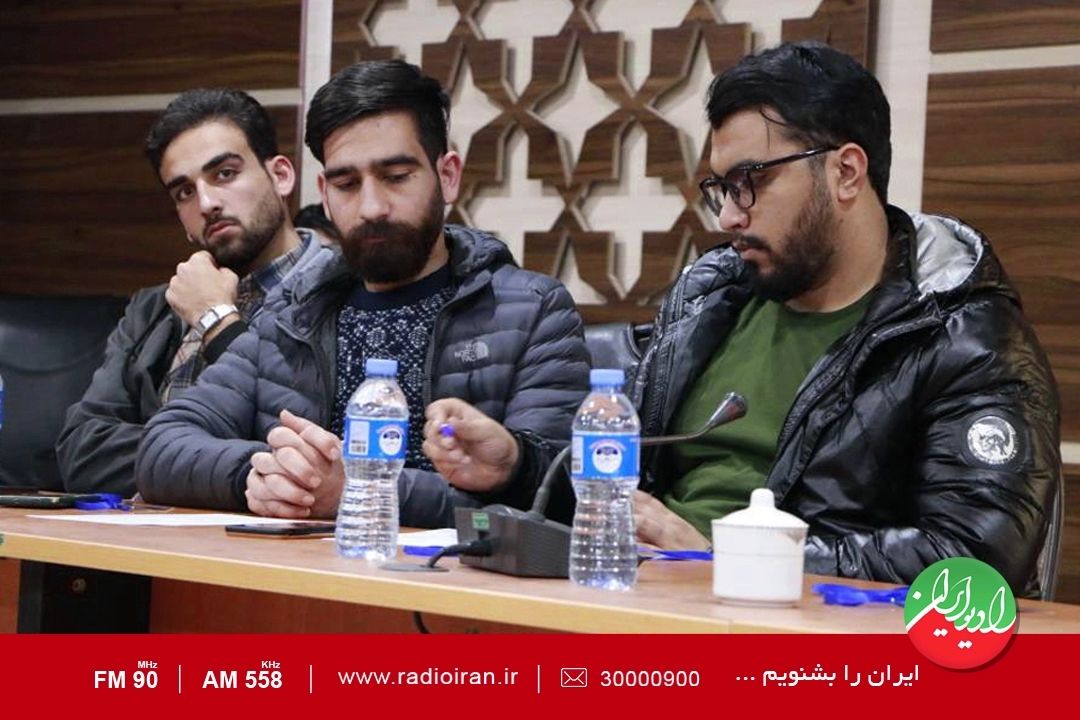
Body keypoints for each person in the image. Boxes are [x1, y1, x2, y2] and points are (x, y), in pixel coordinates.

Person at [629, 42, 1060, 595]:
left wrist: (723, 557)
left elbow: (971, 560)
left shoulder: (965, 336)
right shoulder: (708, 298)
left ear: (847, 172)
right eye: (721, 189)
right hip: (638, 601)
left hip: (806, 630)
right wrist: (525, 466)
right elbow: (616, 479)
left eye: (750, 181)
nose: (729, 216)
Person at [135, 60, 590, 526]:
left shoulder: (531, 310)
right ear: (324, 192)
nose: (371, 207)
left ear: (447, 175)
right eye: (347, 184)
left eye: (396, 176)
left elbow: (565, 497)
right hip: (296, 567)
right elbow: (161, 448)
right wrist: (264, 475)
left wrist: (356, 490)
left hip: (449, 571)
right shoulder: (294, 314)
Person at [57, 89, 325, 497]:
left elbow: (301, 451)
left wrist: (216, 318)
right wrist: (205, 462)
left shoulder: (341, 292)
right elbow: (83, 452)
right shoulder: (155, 307)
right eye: (184, 192)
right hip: (143, 533)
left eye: (225, 173)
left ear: (281, 176)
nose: (206, 203)